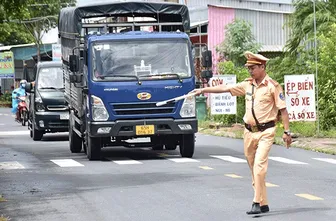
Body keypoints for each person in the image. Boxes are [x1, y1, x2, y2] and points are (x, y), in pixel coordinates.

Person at [191, 51, 292, 215]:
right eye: (248, 68)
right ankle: (264, 202)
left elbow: (284, 110)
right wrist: (203, 90)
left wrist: (287, 132)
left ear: (262, 66)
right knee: (254, 169)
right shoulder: (247, 85)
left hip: (267, 131)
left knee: (259, 167)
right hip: (248, 132)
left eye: (253, 68)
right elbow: (225, 88)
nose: (250, 71)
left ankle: (256, 202)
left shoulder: (273, 86)